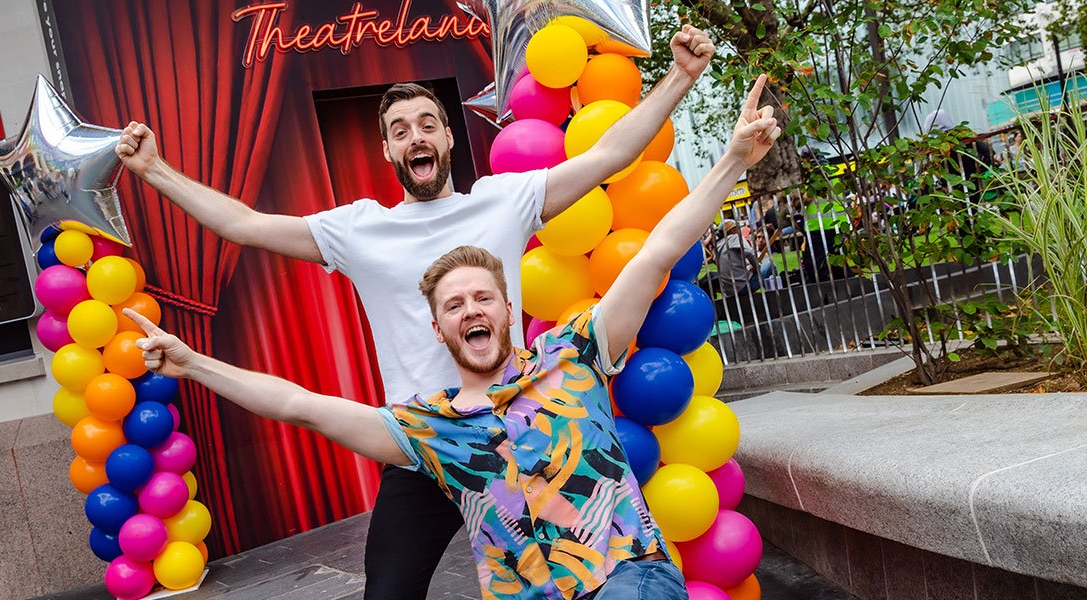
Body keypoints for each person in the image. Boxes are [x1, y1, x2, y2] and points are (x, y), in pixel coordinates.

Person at [115, 24, 717, 599]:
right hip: (427, 443)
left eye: (428, 124)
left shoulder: (505, 200)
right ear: (387, 149)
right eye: (400, 130)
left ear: (449, 137)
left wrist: (680, 78)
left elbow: (609, 155)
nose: (416, 137)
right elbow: (244, 225)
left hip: (520, 430)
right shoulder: (358, 229)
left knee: (581, 573)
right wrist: (155, 171)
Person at [715, 218, 759, 297]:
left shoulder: (717, 247)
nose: (739, 230)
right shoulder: (735, 238)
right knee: (770, 265)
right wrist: (757, 267)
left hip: (729, 292)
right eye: (737, 228)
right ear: (732, 231)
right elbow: (750, 253)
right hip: (743, 286)